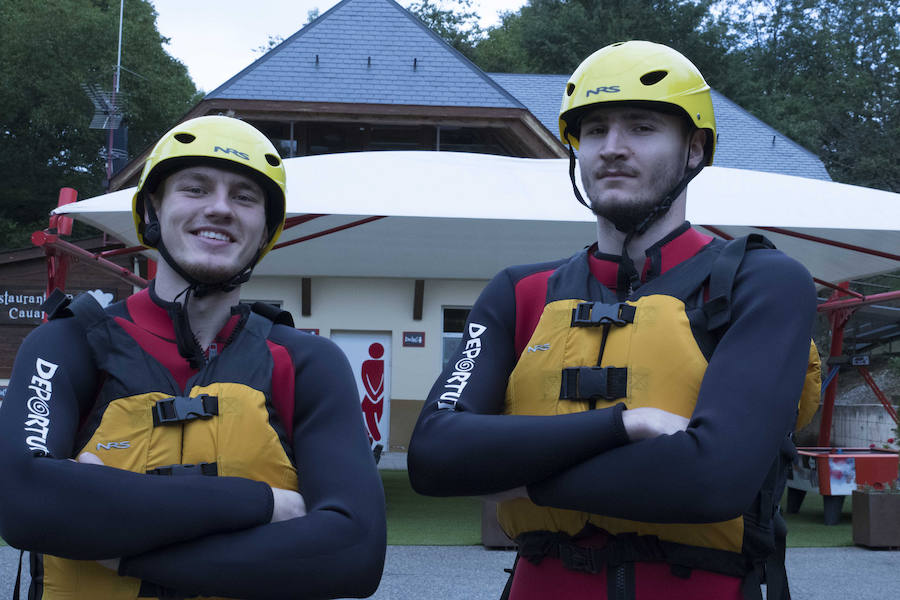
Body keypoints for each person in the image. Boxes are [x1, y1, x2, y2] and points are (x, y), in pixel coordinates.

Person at [408, 41, 819, 600]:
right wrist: (627, 424)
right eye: (594, 130)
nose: (612, 148)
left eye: (642, 128)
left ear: (695, 149)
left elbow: (711, 481)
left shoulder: (763, 282)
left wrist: (508, 478)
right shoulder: (518, 293)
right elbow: (433, 458)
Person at [0, 116, 386, 599]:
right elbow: (25, 502)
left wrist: (122, 551)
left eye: (245, 197)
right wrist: (265, 504)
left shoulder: (308, 363)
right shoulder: (66, 344)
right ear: (154, 212)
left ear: (266, 229)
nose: (220, 209)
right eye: (195, 188)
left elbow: (355, 554)